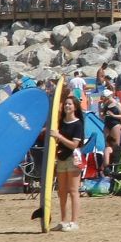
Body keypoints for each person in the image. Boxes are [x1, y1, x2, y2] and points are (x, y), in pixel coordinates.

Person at [49, 94, 85, 231]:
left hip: (73, 159)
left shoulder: (78, 124)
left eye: (70, 104)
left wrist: (59, 136)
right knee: (62, 191)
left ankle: (74, 222)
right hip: (61, 158)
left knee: (73, 191)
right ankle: (63, 221)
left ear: (75, 107)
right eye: (66, 104)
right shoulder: (61, 121)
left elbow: (74, 144)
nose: (67, 106)